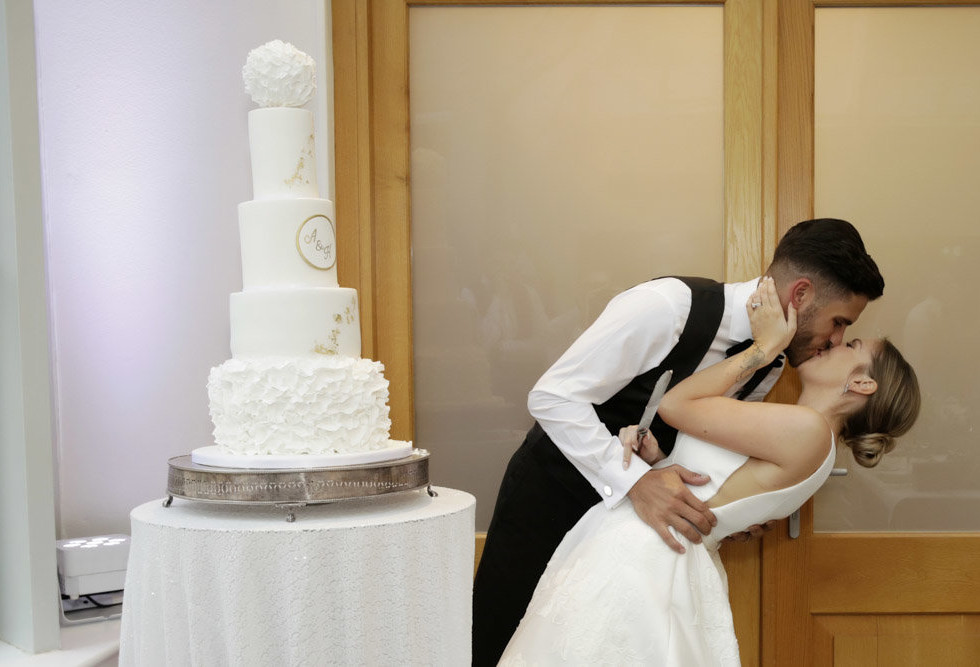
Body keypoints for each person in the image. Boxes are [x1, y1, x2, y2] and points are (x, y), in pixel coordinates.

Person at [473, 218, 886, 665]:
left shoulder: (770, 364)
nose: (836, 339)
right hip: (550, 498)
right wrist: (637, 482)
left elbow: (710, 452)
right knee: (501, 645)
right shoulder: (667, 306)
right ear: (800, 295)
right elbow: (553, 396)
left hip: (637, 545)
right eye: (838, 322)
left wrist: (735, 507)